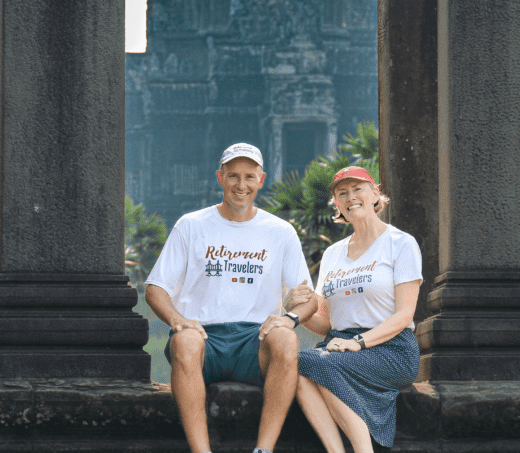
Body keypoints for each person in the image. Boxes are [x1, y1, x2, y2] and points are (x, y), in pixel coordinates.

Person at [145, 142, 317, 453]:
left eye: (249, 177)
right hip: (204, 337)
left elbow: (309, 299)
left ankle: (263, 450)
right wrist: (178, 320)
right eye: (233, 176)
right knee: (183, 341)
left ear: (261, 180)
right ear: (220, 177)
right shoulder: (191, 225)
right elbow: (156, 287)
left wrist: (289, 317)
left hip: (254, 340)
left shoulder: (280, 231)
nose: (241, 185)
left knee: (287, 341)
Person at [284, 166, 422, 453]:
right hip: (340, 345)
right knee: (295, 366)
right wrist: (294, 308)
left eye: (358, 189)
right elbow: (328, 323)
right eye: (342, 193)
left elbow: (404, 316)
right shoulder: (332, 254)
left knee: (316, 362)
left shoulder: (400, 243)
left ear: (375, 194)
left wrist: (357, 343)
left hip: (391, 348)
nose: (351, 197)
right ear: (337, 204)